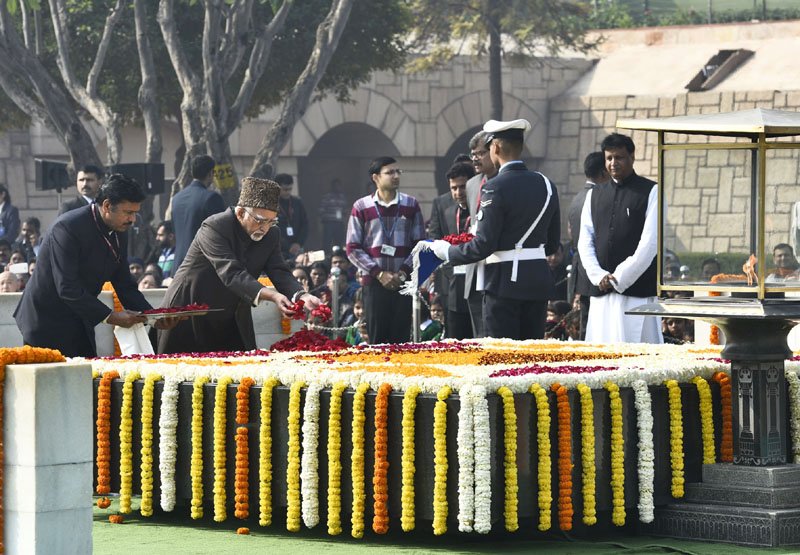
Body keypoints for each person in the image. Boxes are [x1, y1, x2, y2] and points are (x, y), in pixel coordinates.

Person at [14, 174, 176, 357]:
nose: (133, 220)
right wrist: (112, 316)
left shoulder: (119, 229)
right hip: (45, 319)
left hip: (80, 318)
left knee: (85, 378)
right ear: (107, 206)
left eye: (135, 213)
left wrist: (153, 316)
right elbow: (67, 288)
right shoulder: (67, 227)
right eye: (128, 212)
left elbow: (124, 283)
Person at [429, 119, 561, 340]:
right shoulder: (546, 184)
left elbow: (484, 244)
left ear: (496, 147)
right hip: (537, 281)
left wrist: (448, 252)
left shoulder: (493, 187)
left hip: (503, 284)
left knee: (502, 359)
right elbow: (551, 243)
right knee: (533, 358)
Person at [157, 177, 321, 354]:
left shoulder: (271, 234)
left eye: (271, 221)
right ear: (241, 213)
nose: (265, 228)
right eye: (260, 220)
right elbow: (231, 272)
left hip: (231, 315)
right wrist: (273, 296)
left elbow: (279, 271)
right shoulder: (214, 226)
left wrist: (301, 295)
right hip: (190, 312)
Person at [578, 132, 662, 344]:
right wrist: (599, 276)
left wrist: (620, 278)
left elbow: (650, 243)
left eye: (619, 157)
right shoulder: (594, 194)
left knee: (638, 356)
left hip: (635, 291)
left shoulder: (651, 191)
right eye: (609, 158)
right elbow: (585, 239)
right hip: (601, 290)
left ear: (632, 157)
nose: (613, 163)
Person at [346, 156, 425, 344]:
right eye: (390, 172)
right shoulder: (361, 206)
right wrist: (379, 273)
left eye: (398, 172)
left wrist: (403, 273)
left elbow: (420, 245)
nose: (396, 176)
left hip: (403, 283)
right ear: (375, 178)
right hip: (373, 284)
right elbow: (352, 248)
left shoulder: (410, 204)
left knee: (401, 341)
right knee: (377, 340)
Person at [427, 162, 476, 339]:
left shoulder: (485, 209)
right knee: (456, 339)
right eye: (454, 188)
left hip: (480, 281)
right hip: (453, 282)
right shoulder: (448, 212)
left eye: (462, 187)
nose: (458, 193)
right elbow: (436, 243)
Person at [568, 152, 608, 340]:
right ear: (603, 172)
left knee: (586, 329)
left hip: (580, 272)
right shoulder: (598, 198)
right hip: (596, 271)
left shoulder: (578, 198)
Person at [462, 131, 498, 338]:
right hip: (474, 266)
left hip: (497, 264)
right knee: (478, 333)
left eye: (481, 153)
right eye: (473, 154)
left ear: (495, 151)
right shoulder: (472, 184)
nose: (475, 158)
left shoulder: (505, 180)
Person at [171, 155, 226, 271]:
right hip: (201, 266)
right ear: (211, 173)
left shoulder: (176, 198)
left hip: (178, 266)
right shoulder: (211, 198)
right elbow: (222, 234)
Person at [275, 173, 309, 260]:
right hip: (278, 249)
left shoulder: (297, 202)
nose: (288, 192)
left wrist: (298, 243)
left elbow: (305, 224)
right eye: (285, 189)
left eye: (290, 189)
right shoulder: (271, 205)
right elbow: (270, 228)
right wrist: (287, 246)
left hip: (297, 247)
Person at [318, 179, 349, 253]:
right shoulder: (327, 196)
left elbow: (345, 210)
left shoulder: (342, 197)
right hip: (329, 223)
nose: (338, 187)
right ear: (333, 187)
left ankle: (338, 256)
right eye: (336, 186)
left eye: (339, 186)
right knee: (327, 242)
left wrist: (344, 215)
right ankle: (326, 258)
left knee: (339, 242)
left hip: (339, 223)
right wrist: (326, 219)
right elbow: (321, 210)